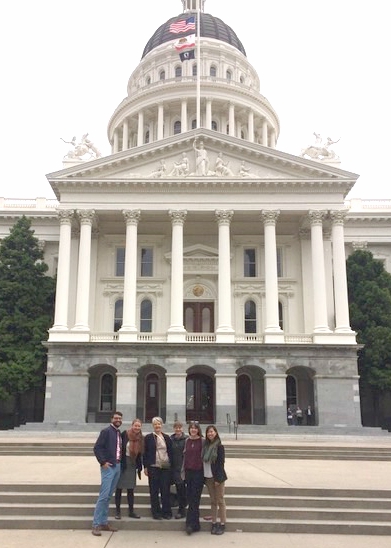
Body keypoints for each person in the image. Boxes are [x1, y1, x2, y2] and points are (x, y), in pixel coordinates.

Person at [91, 411, 123, 536]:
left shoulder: (118, 432)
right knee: (103, 496)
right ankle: (96, 524)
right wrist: (103, 462)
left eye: (120, 418)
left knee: (109, 496)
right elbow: (97, 447)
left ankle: (103, 522)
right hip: (108, 467)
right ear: (111, 419)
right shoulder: (106, 431)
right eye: (116, 418)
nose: (118, 420)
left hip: (117, 465)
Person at [143, 416, 173, 520]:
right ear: (153, 426)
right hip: (153, 467)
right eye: (155, 424)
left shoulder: (167, 437)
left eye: (159, 424)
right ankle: (156, 512)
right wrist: (145, 467)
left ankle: (166, 512)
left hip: (165, 467)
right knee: (154, 491)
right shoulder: (148, 437)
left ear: (162, 425)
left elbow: (170, 452)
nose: (157, 426)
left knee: (165, 490)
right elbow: (145, 453)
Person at [115, 418, 144, 520]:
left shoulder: (141, 437)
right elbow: (118, 447)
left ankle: (131, 511)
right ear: (132, 425)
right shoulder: (125, 434)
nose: (137, 428)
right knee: (119, 488)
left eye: (139, 426)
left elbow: (141, 453)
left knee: (130, 489)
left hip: (132, 464)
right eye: (135, 425)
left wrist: (140, 467)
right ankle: (117, 511)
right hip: (123, 463)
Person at [203, 425, 227, 535]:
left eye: (212, 432)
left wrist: (218, 478)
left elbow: (221, 464)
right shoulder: (205, 446)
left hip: (217, 478)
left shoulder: (219, 446)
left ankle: (222, 524)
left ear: (216, 433)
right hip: (208, 477)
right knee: (213, 501)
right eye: (208, 432)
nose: (210, 434)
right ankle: (214, 522)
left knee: (220, 501)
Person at [183, 421, 204, 535]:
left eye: (195, 428)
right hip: (188, 472)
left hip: (198, 473)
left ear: (198, 430)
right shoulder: (187, 440)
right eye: (191, 428)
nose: (193, 430)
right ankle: (196, 524)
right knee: (191, 498)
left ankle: (189, 524)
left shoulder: (203, 441)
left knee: (195, 499)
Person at [170, 420, 188, 519]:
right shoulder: (170, 439)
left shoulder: (186, 439)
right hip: (173, 468)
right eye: (176, 427)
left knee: (182, 489)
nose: (178, 429)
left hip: (183, 468)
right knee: (178, 489)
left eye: (179, 427)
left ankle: (182, 510)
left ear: (182, 428)